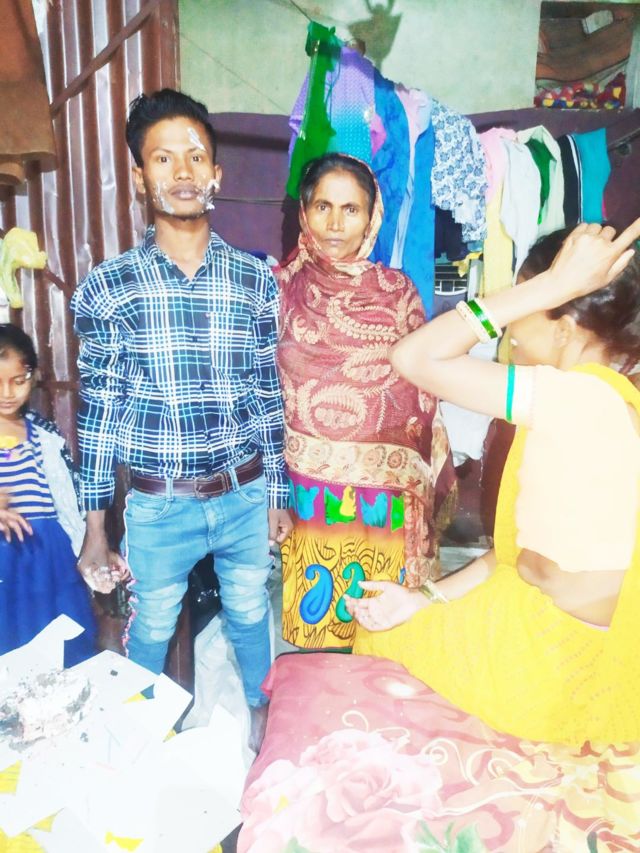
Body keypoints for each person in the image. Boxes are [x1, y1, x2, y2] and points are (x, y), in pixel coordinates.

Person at [347, 220, 640, 744]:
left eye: (524, 300)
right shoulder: (599, 396)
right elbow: (516, 558)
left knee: (378, 650)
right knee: (399, 626)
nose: (508, 327)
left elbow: (413, 357)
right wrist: (423, 597)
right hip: (546, 626)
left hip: (554, 661)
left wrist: (554, 284)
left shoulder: (576, 399)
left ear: (564, 329)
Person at [71, 89, 292, 738]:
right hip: (159, 505)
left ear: (216, 173)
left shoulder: (255, 280)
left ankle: (263, 722)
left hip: (243, 495)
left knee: (250, 612)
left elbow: (266, 393)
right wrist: (95, 528)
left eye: (196, 157)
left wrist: (276, 494)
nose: (183, 171)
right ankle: (138, 739)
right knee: (151, 625)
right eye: (163, 158)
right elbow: (98, 415)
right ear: (140, 176)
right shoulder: (108, 287)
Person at [277, 153, 456, 649]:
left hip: (386, 496)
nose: (335, 224)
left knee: (384, 623)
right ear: (304, 212)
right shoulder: (282, 289)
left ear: (371, 216)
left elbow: (422, 388)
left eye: (350, 209)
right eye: (323, 207)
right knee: (320, 623)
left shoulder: (397, 292)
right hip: (312, 493)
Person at [0, 324, 119, 664]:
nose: (7, 392)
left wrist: (95, 552)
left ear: (33, 376)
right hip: (5, 563)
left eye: (18, 381)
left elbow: (69, 505)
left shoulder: (45, 436)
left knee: (61, 645)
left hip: (48, 558)